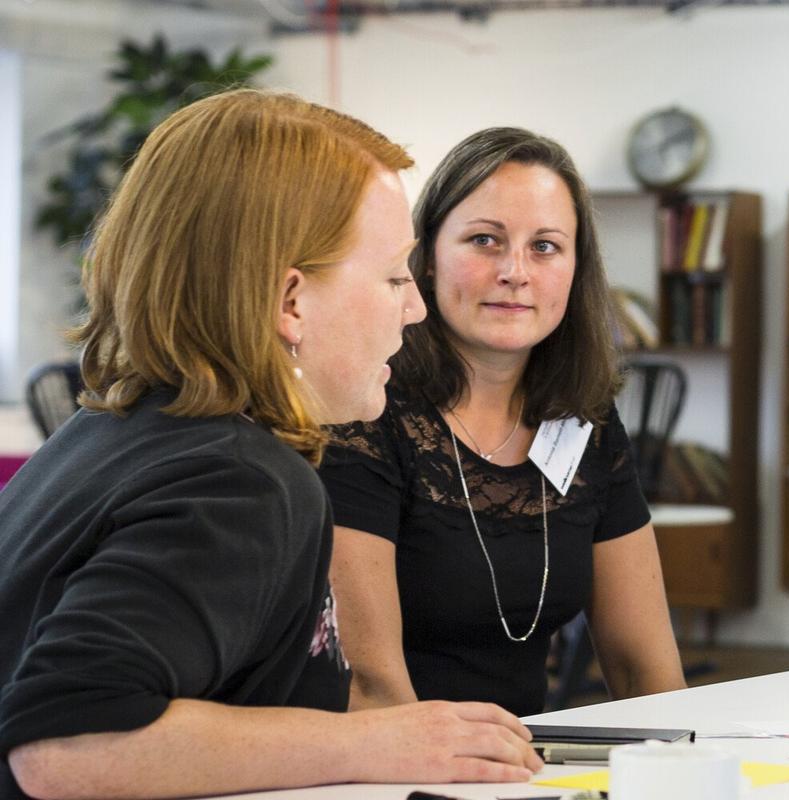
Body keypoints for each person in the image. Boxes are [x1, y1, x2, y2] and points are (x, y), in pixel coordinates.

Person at [0, 90, 544, 800]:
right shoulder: (239, 480)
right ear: (291, 302)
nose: (414, 308)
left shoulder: (115, 429)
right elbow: (67, 746)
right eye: (391, 277)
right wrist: (375, 740)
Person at [320, 127, 683, 717]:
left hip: (531, 767)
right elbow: (371, 690)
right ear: (427, 259)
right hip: (392, 771)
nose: (516, 271)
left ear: (575, 269)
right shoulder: (366, 410)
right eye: (485, 240)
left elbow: (646, 671)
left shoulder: (585, 417)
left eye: (545, 247)